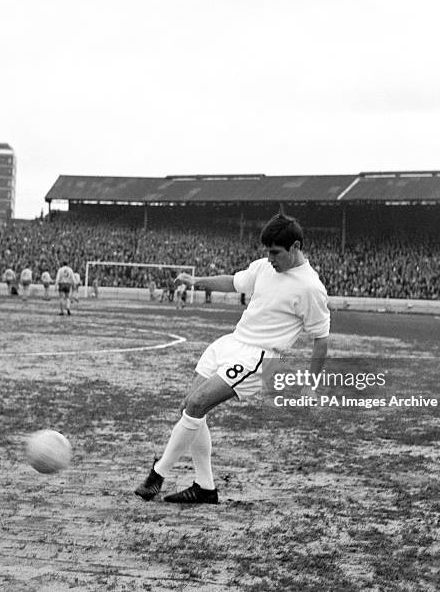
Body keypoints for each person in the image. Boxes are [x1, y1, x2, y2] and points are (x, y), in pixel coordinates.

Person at [135, 213, 330, 504]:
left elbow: (321, 339)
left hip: (258, 356)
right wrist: (198, 280)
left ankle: (158, 473)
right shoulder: (264, 267)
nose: (270, 258)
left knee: (196, 404)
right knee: (189, 407)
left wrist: (312, 384)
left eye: (275, 252)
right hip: (231, 343)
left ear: (295, 247)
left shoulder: (310, 288)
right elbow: (234, 282)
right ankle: (205, 487)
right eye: (267, 252)